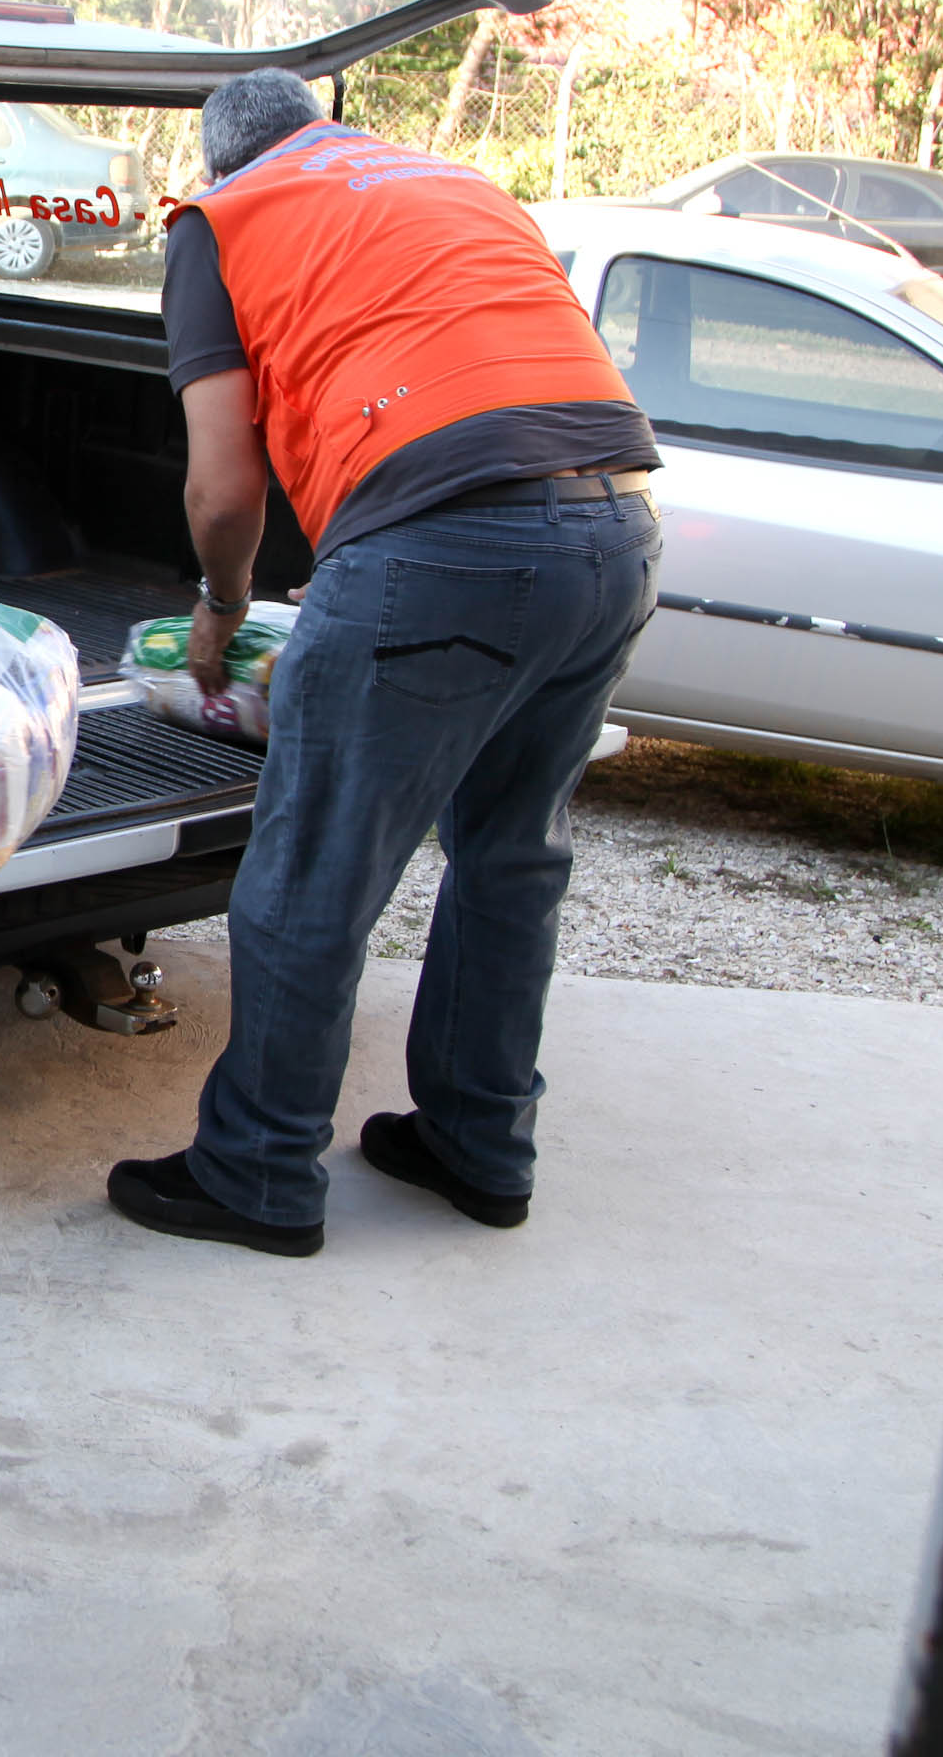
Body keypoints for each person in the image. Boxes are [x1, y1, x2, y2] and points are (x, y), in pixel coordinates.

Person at [107, 68, 662, 1259]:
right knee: (511, 859)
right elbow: (472, 371)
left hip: (449, 539)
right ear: (325, 130)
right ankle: (479, 1143)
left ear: (219, 165)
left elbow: (223, 481)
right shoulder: (452, 181)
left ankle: (256, 1169)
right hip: (614, 528)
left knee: (310, 869)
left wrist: (225, 599)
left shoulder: (224, 218)